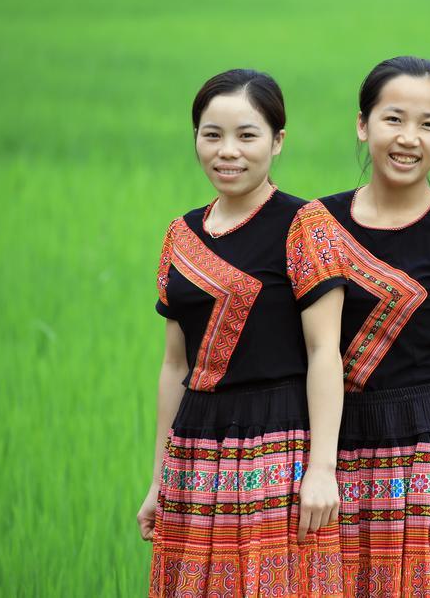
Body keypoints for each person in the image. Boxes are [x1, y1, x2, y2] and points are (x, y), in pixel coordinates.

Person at [285, 56, 430, 597]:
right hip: (336, 446)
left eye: (428, 124)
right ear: (363, 125)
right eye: (393, 119)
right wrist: (317, 465)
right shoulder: (319, 223)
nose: (408, 138)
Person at [137, 69, 345, 596]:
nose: (228, 151)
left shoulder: (306, 225)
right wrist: (159, 477)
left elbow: (326, 352)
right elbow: (175, 366)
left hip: (276, 447)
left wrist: (321, 469)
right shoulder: (180, 235)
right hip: (195, 446)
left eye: (247, 135)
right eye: (212, 135)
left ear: (277, 141)